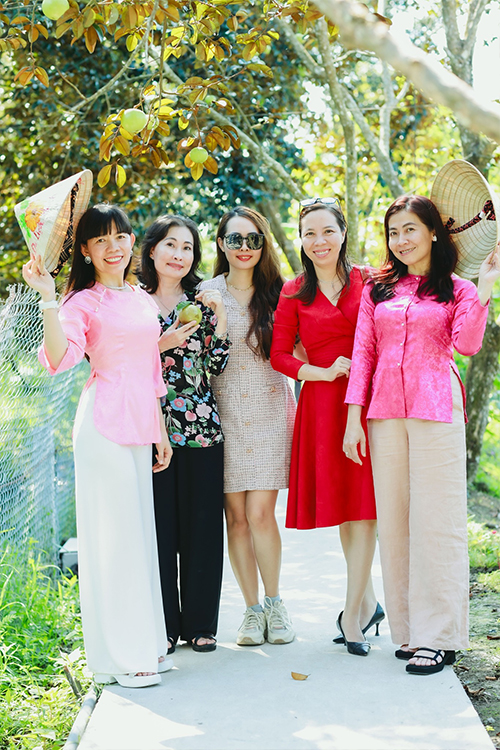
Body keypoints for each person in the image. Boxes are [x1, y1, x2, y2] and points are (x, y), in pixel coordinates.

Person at [344, 194, 500, 674]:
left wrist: (486, 288)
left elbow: (467, 345)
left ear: (434, 232)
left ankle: (440, 636)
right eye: (393, 232)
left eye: (410, 229)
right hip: (385, 412)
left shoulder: (459, 289)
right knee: (395, 523)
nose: (401, 240)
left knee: (437, 522)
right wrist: (353, 418)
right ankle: (410, 631)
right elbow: (364, 353)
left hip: (436, 410)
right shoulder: (377, 290)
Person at [22, 204, 172, 688]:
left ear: (132, 241)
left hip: (140, 426)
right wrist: (48, 299)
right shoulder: (82, 302)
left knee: (138, 538)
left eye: (121, 236)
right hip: (104, 428)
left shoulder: (139, 296)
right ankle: (125, 659)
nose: (114, 247)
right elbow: (59, 359)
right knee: (115, 541)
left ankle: (137, 650)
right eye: (101, 239)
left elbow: (151, 369)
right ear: (85, 249)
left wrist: (161, 430)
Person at [270, 197, 381, 657]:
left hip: (369, 401)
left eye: (328, 231)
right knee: (346, 507)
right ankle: (367, 604)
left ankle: (353, 614)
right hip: (321, 404)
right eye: (310, 233)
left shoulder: (369, 280)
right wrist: (321, 372)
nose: (320, 241)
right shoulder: (293, 291)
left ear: (343, 233)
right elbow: (279, 355)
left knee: (365, 508)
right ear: (301, 240)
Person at [200, 206, 296, 646]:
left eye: (253, 239)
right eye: (235, 239)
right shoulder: (205, 293)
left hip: (271, 413)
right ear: (221, 243)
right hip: (222, 417)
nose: (244, 247)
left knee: (260, 514)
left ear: (263, 245)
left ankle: (275, 605)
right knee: (235, 519)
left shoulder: (281, 294)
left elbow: (301, 349)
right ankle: (252, 611)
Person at [139, 214, 230, 653]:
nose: (179, 254)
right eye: (171, 245)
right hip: (147, 429)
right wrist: (161, 344)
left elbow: (215, 366)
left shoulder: (202, 301)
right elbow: (114, 360)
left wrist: (221, 319)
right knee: (159, 529)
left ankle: (201, 624)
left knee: (203, 528)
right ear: (152, 249)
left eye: (188, 247)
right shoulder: (132, 302)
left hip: (200, 428)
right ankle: (164, 626)